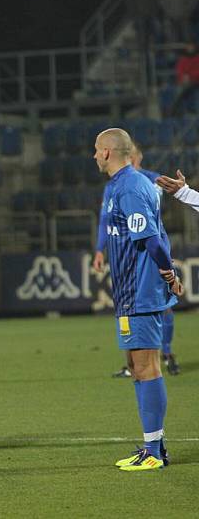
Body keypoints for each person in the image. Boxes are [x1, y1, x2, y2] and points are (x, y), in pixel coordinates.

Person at [94, 128, 181, 471]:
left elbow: (152, 239)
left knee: (146, 366)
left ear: (107, 153)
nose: (93, 156)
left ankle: (154, 452)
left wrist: (169, 273)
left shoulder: (130, 186)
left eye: (96, 150)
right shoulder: (118, 186)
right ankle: (153, 445)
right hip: (130, 290)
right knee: (136, 366)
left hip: (140, 289)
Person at [94, 142, 179, 377]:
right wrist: (99, 249)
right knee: (137, 321)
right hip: (130, 256)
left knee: (161, 306)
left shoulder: (148, 181)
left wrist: (167, 266)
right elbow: (105, 220)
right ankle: (138, 360)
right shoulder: (114, 186)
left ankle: (168, 353)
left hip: (149, 252)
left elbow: (152, 225)